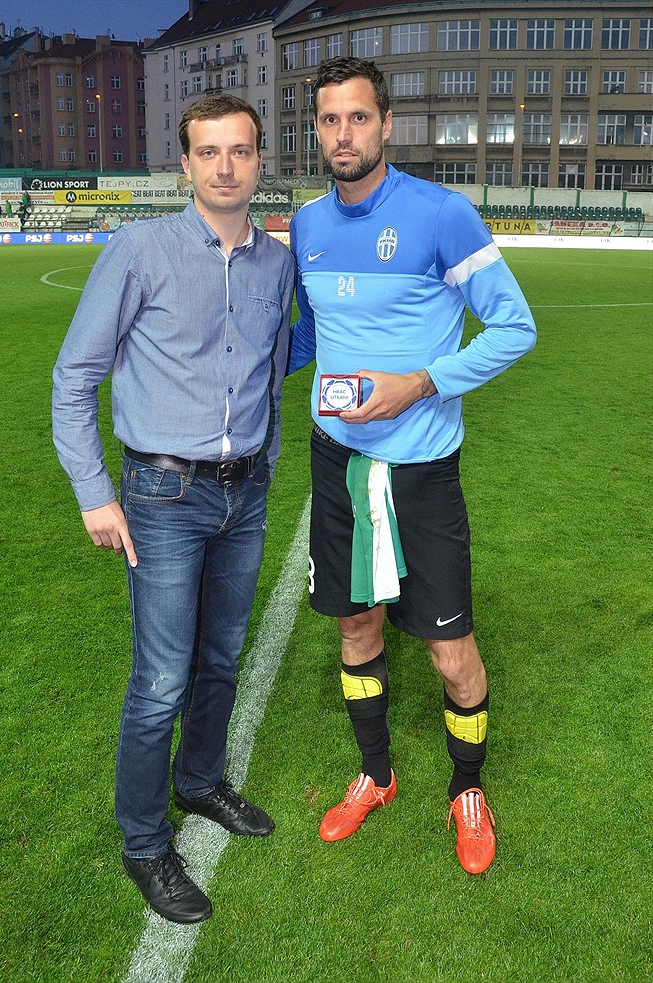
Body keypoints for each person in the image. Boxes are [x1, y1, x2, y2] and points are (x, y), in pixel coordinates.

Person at [288, 57, 536, 875]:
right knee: (355, 627)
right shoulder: (308, 225)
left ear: (387, 123)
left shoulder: (440, 214)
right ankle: (376, 773)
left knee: (449, 649)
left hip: (421, 472)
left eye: (359, 117)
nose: (344, 134)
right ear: (316, 128)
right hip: (337, 465)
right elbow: (311, 333)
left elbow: (515, 327)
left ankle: (468, 786)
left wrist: (421, 382)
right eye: (330, 120)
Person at [52, 94, 295, 922]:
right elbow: (73, 377)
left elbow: (271, 370)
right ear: (185, 164)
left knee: (220, 658)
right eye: (209, 152)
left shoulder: (275, 265)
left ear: (259, 160)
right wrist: (95, 493)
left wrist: (265, 465)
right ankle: (144, 842)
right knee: (160, 679)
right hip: (162, 495)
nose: (226, 167)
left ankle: (199, 782)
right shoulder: (140, 248)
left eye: (241, 151)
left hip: (245, 492)